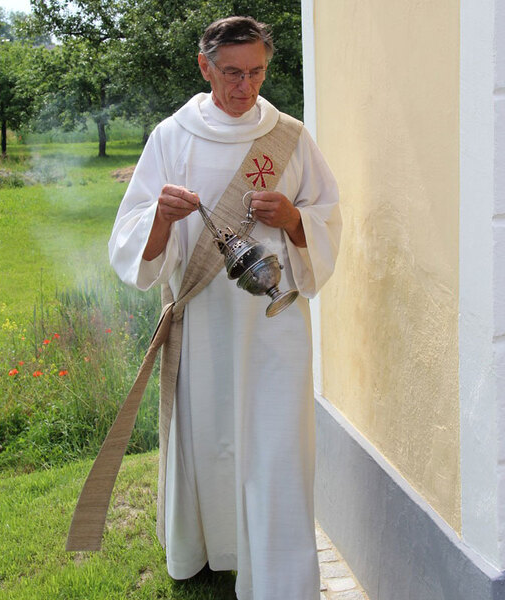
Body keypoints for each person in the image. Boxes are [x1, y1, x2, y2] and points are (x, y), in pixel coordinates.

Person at [108, 16, 341, 600]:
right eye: (232, 73)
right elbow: (130, 235)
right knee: (210, 443)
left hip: (274, 322)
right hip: (203, 321)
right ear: (204, 65)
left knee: (277, 448)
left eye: (257, 71)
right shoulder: (172, 136)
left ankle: (283, 578)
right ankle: (209, 551)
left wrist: (292, 219)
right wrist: (161, 216)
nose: (246, 86)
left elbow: (330, 217)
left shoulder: (289, 135)